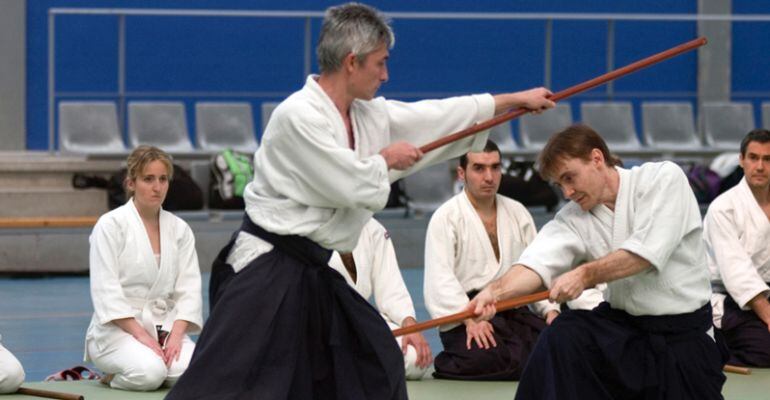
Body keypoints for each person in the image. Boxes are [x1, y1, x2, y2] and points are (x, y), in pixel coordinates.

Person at [168, 3, 554, 399]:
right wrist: (385, 160)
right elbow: (345, 181)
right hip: (266, 267)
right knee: (229, 382)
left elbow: (430, 117)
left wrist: (509, 102)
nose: (386, 75)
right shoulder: (297, 116)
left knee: (374, 363)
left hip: (313, 267)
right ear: (352, 62)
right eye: (380, 63)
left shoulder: (365, 114)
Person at [469, 124, 726, 399]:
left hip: (684, 340)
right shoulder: (574, 216)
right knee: (565, 334)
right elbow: (536, 262)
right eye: (560, 184)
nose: (567, 192)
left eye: (570, 178)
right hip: (625, 332)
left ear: (597, 158)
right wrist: (494, 292)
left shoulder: (663, 179)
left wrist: (583, 275)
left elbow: (645, 255)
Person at [424, 140, 603, 380]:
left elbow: (539, 266)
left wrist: (549, 311)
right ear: (461, 173)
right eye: (479, 168)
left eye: (495, 167)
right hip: (468, 314)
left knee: (561, 344)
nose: (489, 176)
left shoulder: (518, 212)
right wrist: (469, 320)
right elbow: (440, 278)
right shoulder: (446, 217)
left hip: (513, 311)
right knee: (488, 356)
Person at [85, 145, 203, 391]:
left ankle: (155, 360)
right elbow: (106, 290)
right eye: (148, 179)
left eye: (162, 179)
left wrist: (176, 336)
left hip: (164, 326)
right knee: (150, 373)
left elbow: (189, 288)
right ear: (131, 183)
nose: (157, 187)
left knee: (197, 371)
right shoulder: (110, 226)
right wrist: (142, 337)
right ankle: (111, 375)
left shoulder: (180, 229)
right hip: (117, 331)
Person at [328, 218, 432, 380]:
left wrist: (409, 323)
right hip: (322, 326)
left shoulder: (372, 228)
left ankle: (349, 367)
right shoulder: (308, 227)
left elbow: (391, 287)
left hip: (361, 324)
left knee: (414, 359)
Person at [704, 128, 770, 367]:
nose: (760, 166)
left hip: (766, 295)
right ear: (741, 161)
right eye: (753, 158)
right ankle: (714, 350)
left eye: (767, 159)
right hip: (731, 298)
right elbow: (737, 273)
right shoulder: (723, 208)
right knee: (766, 349)